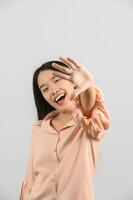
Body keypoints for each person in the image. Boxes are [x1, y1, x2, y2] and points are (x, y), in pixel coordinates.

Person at [19, 56, 111, 200]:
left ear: (73, 83)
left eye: (57, 80)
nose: (53, 90)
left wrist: (88, 85)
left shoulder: (87, 123)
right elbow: (30, 178)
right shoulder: (38, 129)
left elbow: (89, 104)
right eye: (45, 89)